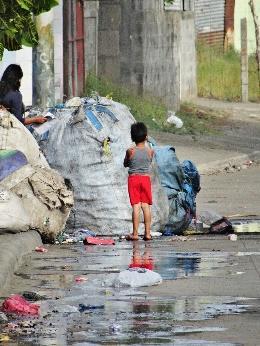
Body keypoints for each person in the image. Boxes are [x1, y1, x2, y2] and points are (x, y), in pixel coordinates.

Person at [124, 122, 154, 241]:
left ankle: (135, 234)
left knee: (136, 206)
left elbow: (126, 163)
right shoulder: (150, 151)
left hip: (134, 179)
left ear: (132, 137)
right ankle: (147, 234)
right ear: (146, 136)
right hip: (145, 179)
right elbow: (148, 162)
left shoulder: (130, 151)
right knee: (145, 206)